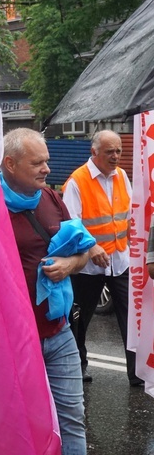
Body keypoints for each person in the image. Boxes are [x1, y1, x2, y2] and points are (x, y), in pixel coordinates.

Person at [2, 128, 93, 455]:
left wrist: (71, 263)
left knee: (72, 419)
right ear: (10, 165)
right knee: (13, 426)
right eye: (37, 162)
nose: (46, 168)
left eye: (46, 161)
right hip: (11, 340)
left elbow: (84, 249)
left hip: (57, 332)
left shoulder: (52, 198)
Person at [62, 130, 142, 386]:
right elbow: (71, 222)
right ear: (94, 152)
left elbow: (129, 213)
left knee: (131, 319)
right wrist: (91, 246)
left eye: (118, 150)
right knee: (81, 319)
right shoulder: (77, 181)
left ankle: (137, 373)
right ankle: (79, 366)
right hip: (88, 264)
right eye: (110, 151)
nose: (116, 156)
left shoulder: (121, 176)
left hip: (120, 260)